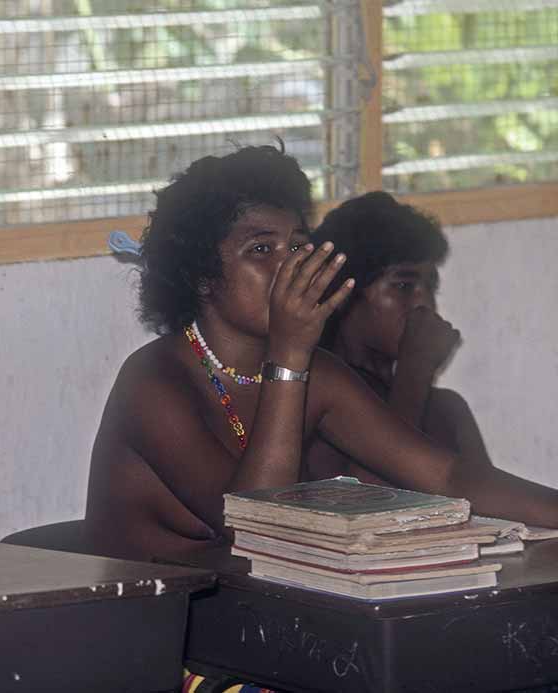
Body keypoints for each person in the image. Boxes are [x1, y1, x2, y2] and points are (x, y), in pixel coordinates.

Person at [84, 146, 558, 563]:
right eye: (261, 248)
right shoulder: (154, 381)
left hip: (262, 630)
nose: (289, 263)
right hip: (159, 646)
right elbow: (255, 525)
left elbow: (446, 476)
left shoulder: (321, 373)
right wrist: (289, 356)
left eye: (296, 245)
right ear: (201, 276)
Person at [306, 191, 489, 484]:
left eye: (430, 286)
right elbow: (367, 503)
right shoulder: (314, 397)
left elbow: (493, 507)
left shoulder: (446, 411)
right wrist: (414, 369)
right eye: (404, 285)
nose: (424, 303)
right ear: (341, 293)